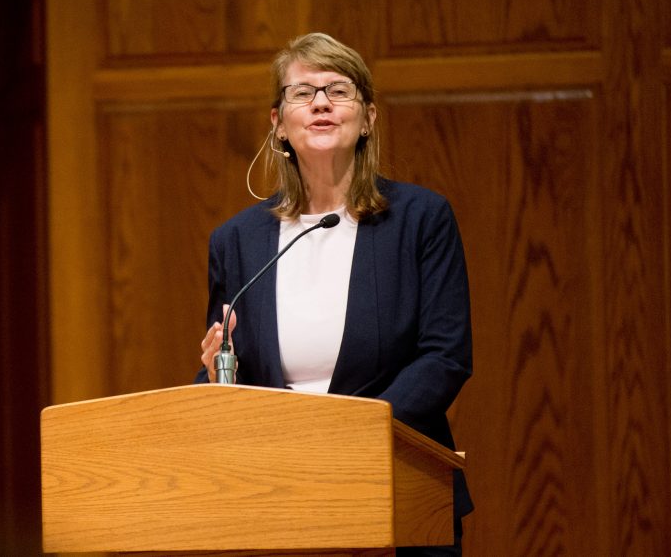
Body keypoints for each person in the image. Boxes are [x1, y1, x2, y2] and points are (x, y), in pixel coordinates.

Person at [197, 33, 474, 556]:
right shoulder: (237, 241)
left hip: (392, 483)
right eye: (302, 92)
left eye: (338, 90)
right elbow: (226, 365)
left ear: (368, 117)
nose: (320, 102)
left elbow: (445, 357)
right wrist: (215, 377)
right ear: (277, 123)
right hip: (276, 495)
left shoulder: (420, 220)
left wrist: (349, 439)